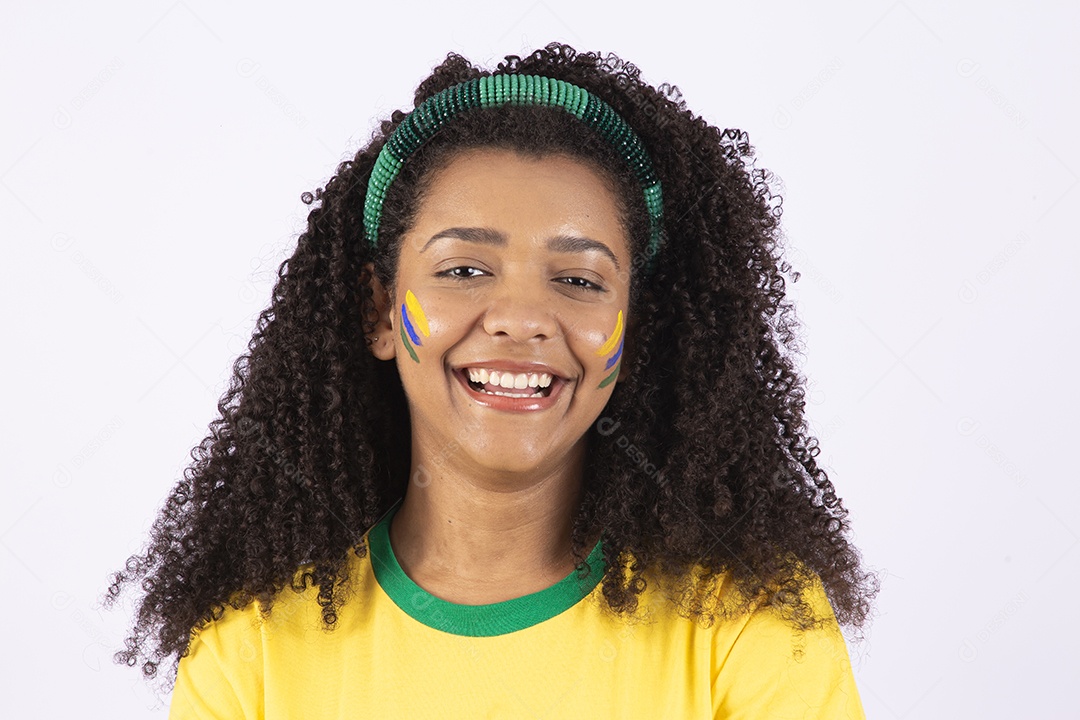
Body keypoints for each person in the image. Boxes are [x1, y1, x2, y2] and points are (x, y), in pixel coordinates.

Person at [104, 42, 877, 718]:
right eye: (464, 269)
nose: (520, 317)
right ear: (380, 311)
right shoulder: (253, 648)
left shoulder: (749, 625)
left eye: (578, 281)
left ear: (634, 332)